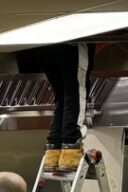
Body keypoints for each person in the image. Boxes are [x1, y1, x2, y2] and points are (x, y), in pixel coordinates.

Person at [17, 43, 93, 173]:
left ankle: (53, 152)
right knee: (76, 91)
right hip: (71, 45)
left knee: (62, 96)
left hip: (45, 47)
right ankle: (71, 147)